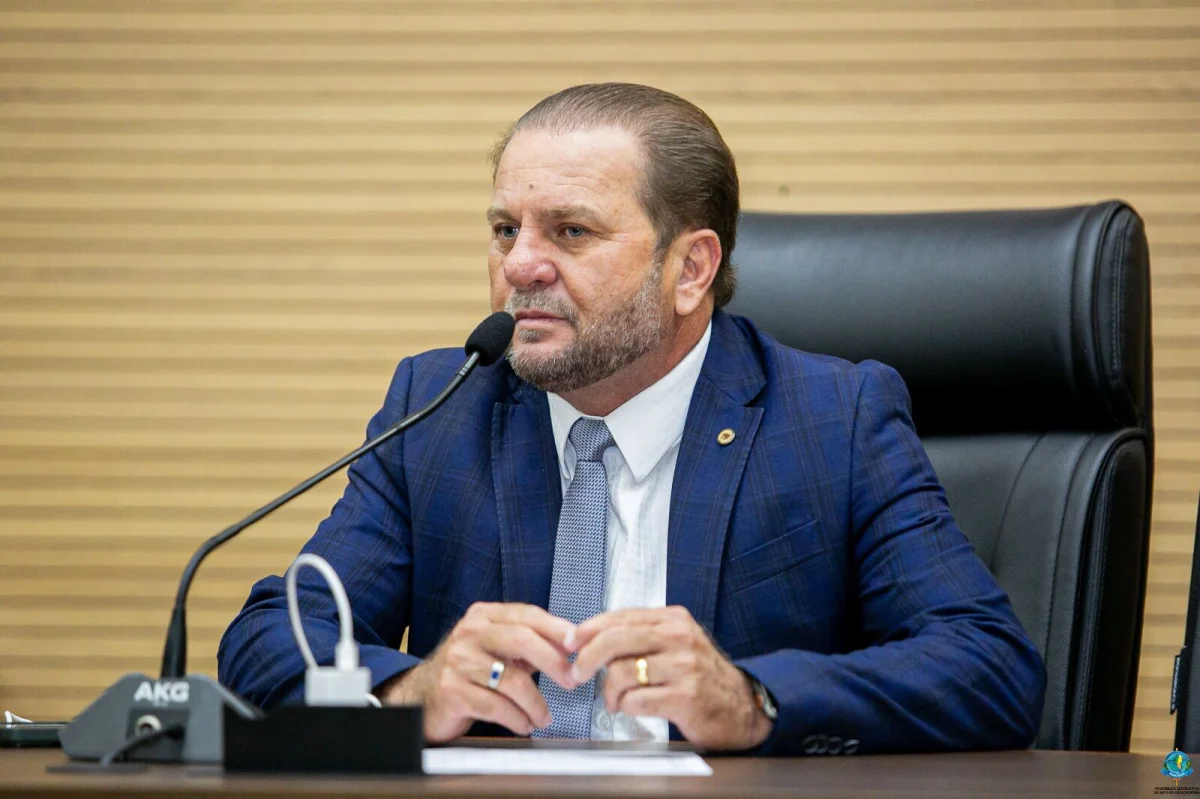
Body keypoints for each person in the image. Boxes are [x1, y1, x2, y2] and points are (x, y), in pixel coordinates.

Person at [218, 83, 1046, 755]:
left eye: (570, 231)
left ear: (691, 268)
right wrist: (408, 689)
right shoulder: (441, 406)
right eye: (505, 230)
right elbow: (265, 640)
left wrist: (753, 700)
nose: (519, 265)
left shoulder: (832, 417)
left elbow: (990, 666)